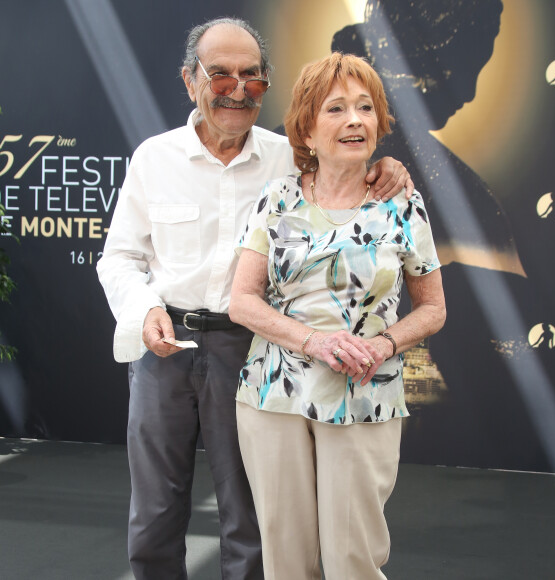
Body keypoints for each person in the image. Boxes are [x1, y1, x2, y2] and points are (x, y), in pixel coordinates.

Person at [97, 17, 413, 580]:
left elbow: (348, 170)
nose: (237, 89)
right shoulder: (154, 158)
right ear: (189, 80)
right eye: (220, 75)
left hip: (252, 351)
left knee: (251, 519)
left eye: (253, 77)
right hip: (162, 345)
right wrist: (143, 310)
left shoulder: (290, 159)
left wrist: (388, 168)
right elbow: (119, 256)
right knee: (153, 512)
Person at [229, 53, 446, 579]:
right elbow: (243, 300)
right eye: (337, 108)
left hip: (366, 391)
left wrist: (384, 345)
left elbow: (434, 307)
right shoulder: (276, 200)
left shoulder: (402, 205)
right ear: (306, 127)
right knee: (284, 554)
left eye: (365, 108)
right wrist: (314, 342)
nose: (355, 120)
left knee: (355, 557)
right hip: (272, 395)